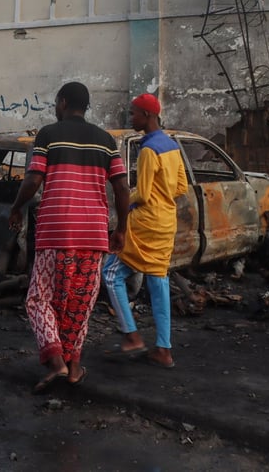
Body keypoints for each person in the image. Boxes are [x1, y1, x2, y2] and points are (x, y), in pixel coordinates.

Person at [9, 81, 129, 393]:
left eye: (55, 103)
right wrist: (122, 229)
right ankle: (74, 367)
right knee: (78, 302)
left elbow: (34, 178)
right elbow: (121, 188)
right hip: (93, 234)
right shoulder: (105, 141)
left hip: (56, 231)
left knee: (39, 298)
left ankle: (56, 361)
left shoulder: (49, 134)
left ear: (62, 103)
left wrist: (17, 207)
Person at [102, 93, 187, 369]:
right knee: (158, 282)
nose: (131, 118)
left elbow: (145, 193)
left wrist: (124, 198)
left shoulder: (150, 150)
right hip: (167, 223)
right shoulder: (171, 145)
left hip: (146, 224)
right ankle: (164, 349)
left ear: (147, 116)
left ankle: (132, 335)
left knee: (111, 273)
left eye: (134, 113)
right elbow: (181, 187)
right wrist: (164, 197)